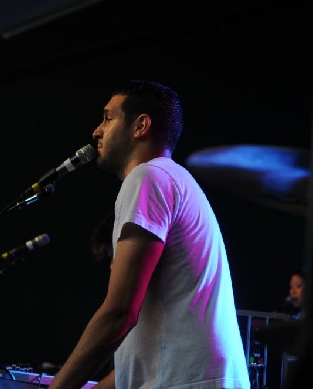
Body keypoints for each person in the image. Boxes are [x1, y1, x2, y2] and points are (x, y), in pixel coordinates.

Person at [49, 80, 249, 389]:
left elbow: (119, 313)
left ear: (140, 125)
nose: (96, 131)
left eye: (107, 118)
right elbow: (141, 364)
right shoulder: (172, 178)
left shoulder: (148, 176)